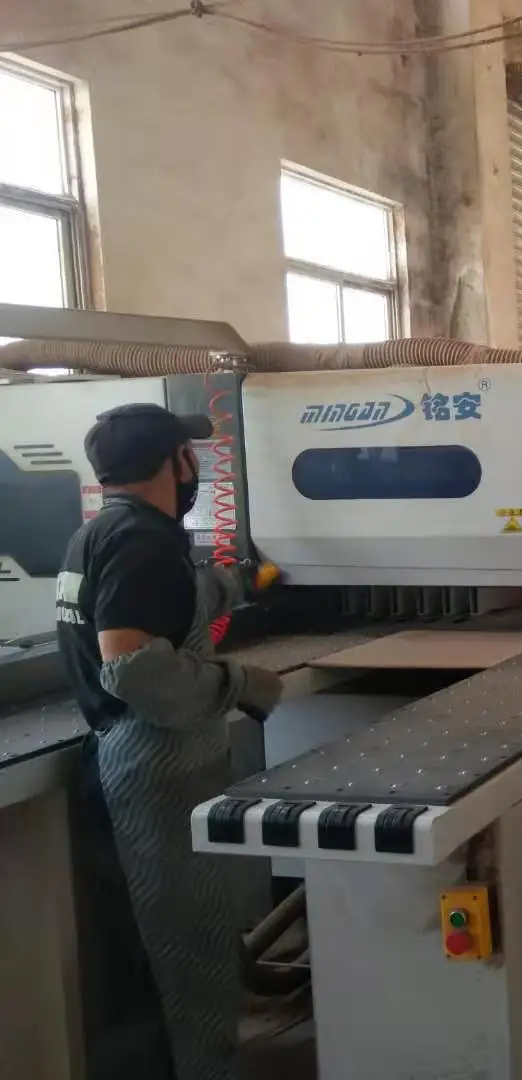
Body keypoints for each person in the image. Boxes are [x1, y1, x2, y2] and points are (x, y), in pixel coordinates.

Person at [56, 402, 285, 1080]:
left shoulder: (99, 533)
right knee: (186, 951)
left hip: (119, 756)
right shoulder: (141, 543)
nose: (196, 466)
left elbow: (155, 606)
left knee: (157, 944)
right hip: (155, 767)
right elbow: (134, 667)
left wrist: (235, 584)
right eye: (191, 454)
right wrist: (239, 683)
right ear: (175, 462)